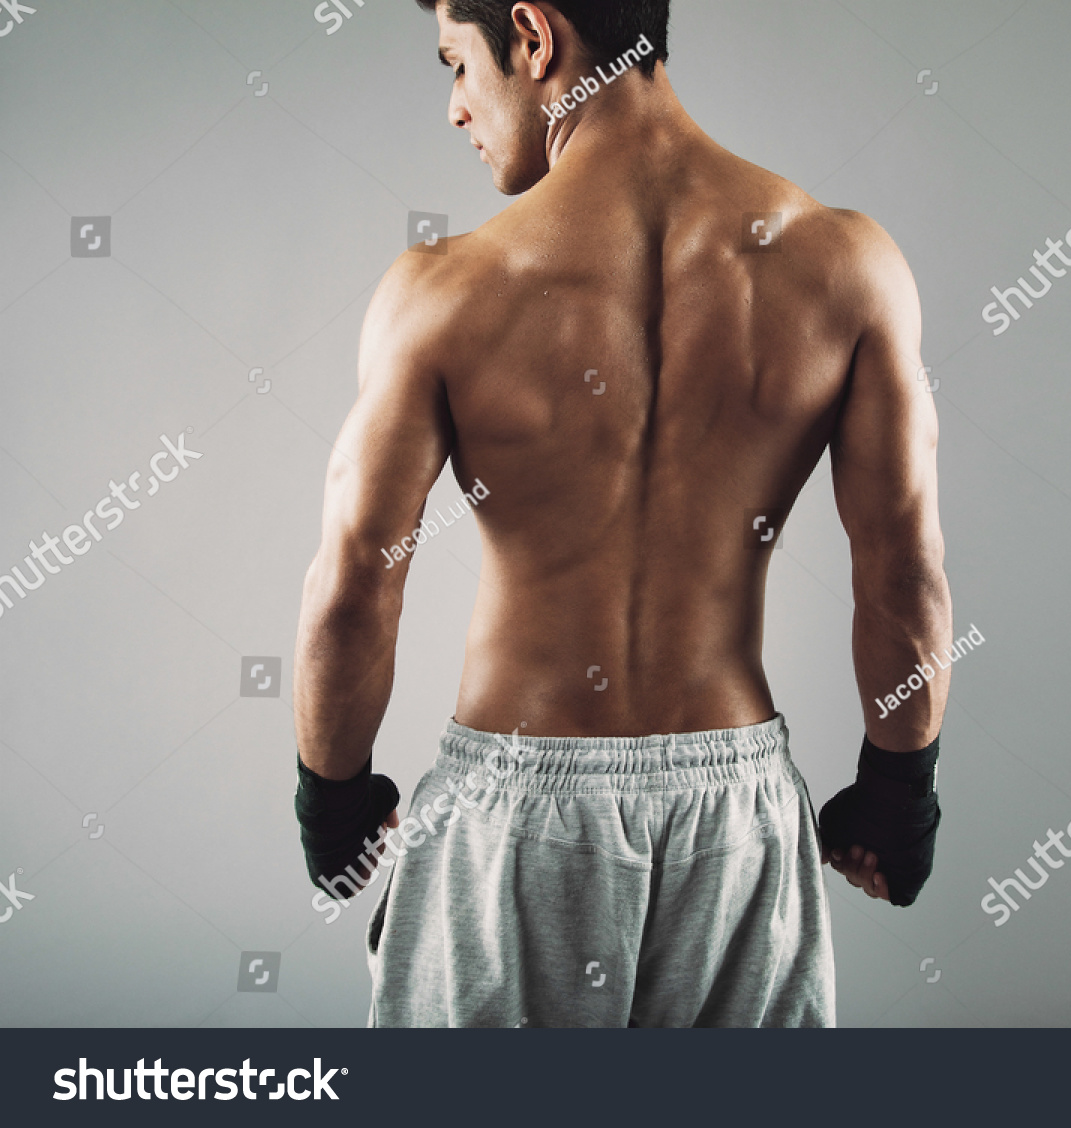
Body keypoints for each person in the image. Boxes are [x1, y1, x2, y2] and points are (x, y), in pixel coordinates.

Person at [291, 0, 952, 1028]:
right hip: (734, 817)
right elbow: (902, 568)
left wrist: (331, 794)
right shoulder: (846, 263)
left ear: (535, 36)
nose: (456, 108)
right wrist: (897, 786)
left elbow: (353, 588)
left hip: (512, 813)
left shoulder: (444, 292)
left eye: (457, 65)